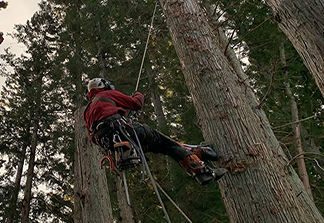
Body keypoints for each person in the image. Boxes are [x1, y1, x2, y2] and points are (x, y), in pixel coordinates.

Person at [83, 77, 227, 185]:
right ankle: (202, 171)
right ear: (104, 86)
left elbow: (93, 138)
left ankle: (201, 153)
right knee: (168, 144)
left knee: (165, 147)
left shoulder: (87, 111)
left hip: (117, 145)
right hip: (128, 132)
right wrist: (138, 95)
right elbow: (136, 104)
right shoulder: (107, 95)